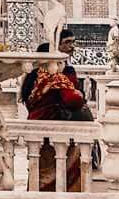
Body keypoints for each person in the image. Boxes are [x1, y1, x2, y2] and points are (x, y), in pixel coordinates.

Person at [25, 58, 89, 191]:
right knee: (61, 169)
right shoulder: (56, 79)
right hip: (55, 131)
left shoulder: (34, 78)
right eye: (60, 62)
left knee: (40, 170)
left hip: (35, 130)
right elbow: (73, 100)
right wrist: (78, 93)